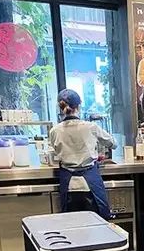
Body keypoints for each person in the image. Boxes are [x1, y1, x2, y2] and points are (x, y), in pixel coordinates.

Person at [49, 89, 117, 220]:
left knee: (72, 225)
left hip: (68, 185)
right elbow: (113, 143)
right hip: (90, 184)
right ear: (79, 106)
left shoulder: (54, 131)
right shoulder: (90, 127)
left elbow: (56, 150)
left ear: (60, 107)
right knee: (97, 223)